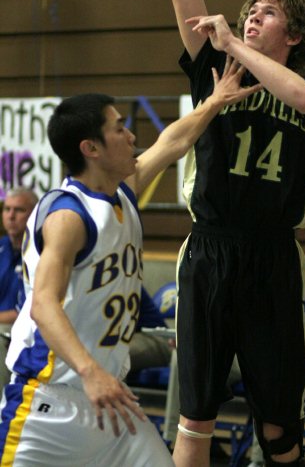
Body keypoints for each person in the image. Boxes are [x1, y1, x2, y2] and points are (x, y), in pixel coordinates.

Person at [151, 0, 305, 467]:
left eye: (267, 15)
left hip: (272, 261)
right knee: (195, 417)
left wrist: (236, 36)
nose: (252, 19)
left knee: (280, 430)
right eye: (250, 13)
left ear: (296, 37)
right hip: (209, 252)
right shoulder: (216, 71)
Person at [0, 64, 260, 467]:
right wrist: (90, 372)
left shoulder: (123, 192)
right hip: (49, 402)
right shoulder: (67, 215)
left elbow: (173, 142)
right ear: (91, 148)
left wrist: (216, 100)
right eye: (119, 128)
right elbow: (43, 306)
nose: (132, 136)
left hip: (112, 406)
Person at [161, 261, 305, 465]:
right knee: (184, 358)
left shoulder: (287, 263)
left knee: (266, 363)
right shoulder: (222, 264)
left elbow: (282, 332)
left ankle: (259, 459)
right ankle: (173, 442)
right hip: (260, 349)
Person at [0, 188, 39, 395]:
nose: (11, 216)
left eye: (19, 210)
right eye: (7, 209)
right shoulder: (2, 248)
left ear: (34, 214)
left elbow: (28, 309)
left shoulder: (41, 250)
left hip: (25, 328)